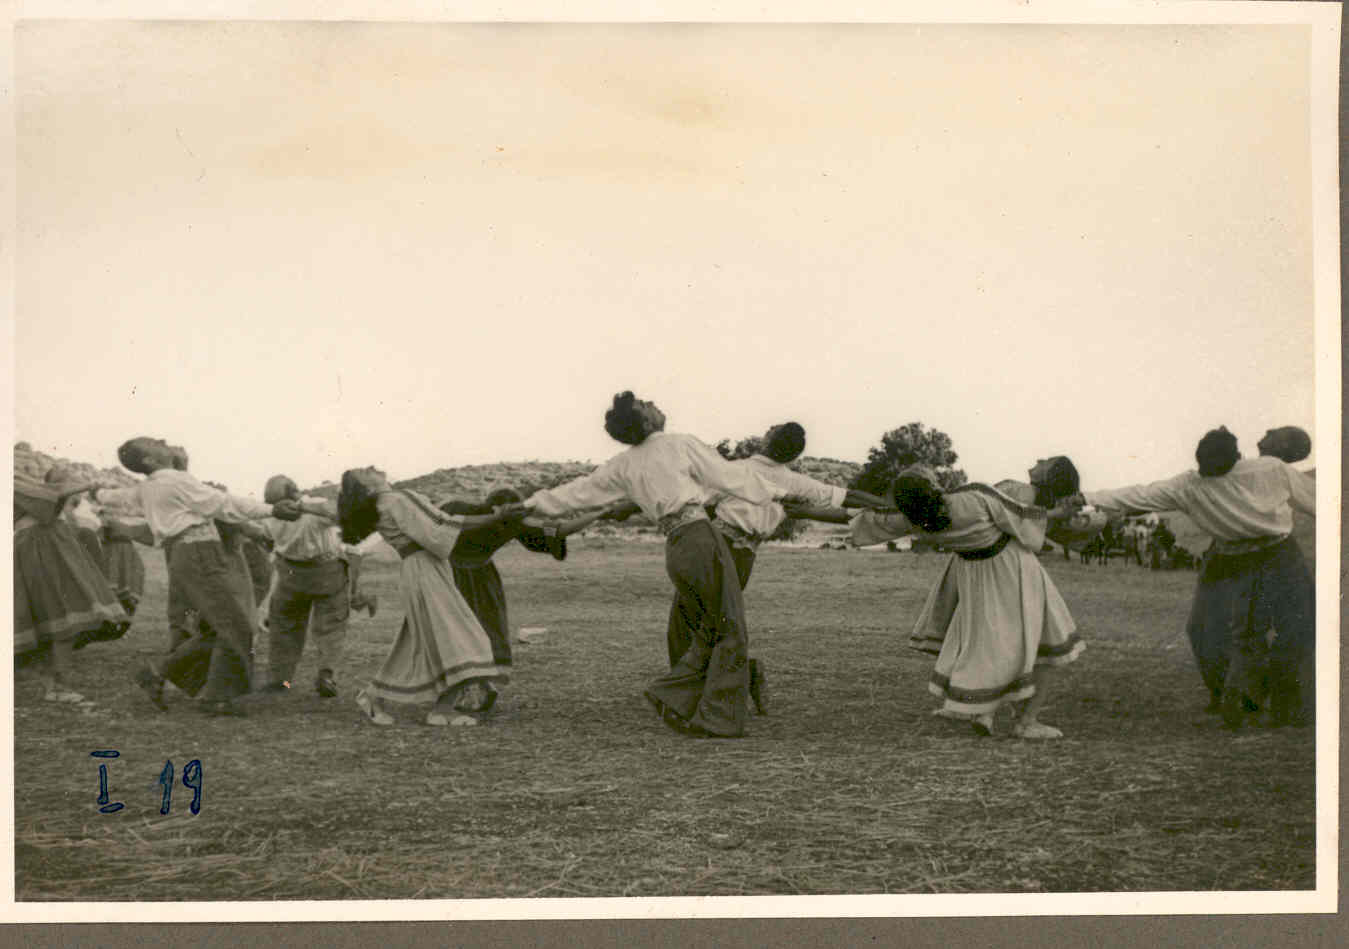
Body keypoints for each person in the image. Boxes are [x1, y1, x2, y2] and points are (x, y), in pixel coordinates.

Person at [523, 391, 791, 738]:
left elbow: (578, 492)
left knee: (707, 625)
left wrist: (530, 504)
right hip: (699, 537)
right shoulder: (678, 444)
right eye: (647, 405)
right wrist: (783, 493)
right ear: (646, 420)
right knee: (729, 627)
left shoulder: (623, 464)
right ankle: (707, 712)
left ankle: (686, 700)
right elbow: (731, 478)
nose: (654, 404)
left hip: (676, 548)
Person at [787, 457, 1089, 739]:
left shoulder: (915, 517)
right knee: (1043, 639)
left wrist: (801, 510)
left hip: (973, 574)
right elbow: (1022, 517)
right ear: (931, 484)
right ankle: (1025, 721)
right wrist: (1060, 513)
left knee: (986, 642)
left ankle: (983, 711)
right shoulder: (975, 497)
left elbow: (854, 516)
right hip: (1012, 570)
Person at [1084, 426, 1316, 728]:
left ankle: (1290, 707)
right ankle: (1233, 695)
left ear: (1233, 458)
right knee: (1204, 628)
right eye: (1202, 461)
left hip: (1278, 553)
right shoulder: (1189, 485)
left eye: (1213, 461)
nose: (1206, 467)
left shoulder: (1271, 470)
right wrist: (1083, 497)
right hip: (1227, 555)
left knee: (1295, 628)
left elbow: (1322, 502)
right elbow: (1137, 495)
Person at [93, 437, 303, 716]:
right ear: (149, 461)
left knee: (219, 628)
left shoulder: (150, 486)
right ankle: (214, 697)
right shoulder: (176, 481)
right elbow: (223, 503)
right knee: (237, 626)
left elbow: (118, 497)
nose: (162, 441)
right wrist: (272, 509)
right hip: (200, 552)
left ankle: (159, 673)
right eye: (155, 444)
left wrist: (98, 494)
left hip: (187, 554)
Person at [691, 421, 890, 714]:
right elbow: (846, 497)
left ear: (768, 440)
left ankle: (724, 683)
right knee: (719, 619)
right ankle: (724, 682)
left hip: (716, 545)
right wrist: (887, 505)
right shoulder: (794, 482)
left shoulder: (737, 469)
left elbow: (698, 499)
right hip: (743, 553)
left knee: (701, 617)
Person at [336, 467, 523, 727]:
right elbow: (443, 527)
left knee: (421, 642)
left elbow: (441, 523)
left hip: (417, 570)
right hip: (427, 571)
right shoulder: (398, 498)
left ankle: (372, 696)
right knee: (467, 639)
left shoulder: (382, 505)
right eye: (365, 472)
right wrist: (495, 518)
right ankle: (443, 710)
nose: (372, 467)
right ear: (368, 487)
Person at [440, 489, 611, 712]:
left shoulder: (473, 513)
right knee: (483, 630)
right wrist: (601, 513)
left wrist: (601, 513)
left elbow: (431, 522)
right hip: (480, 579)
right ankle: (479, 686)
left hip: (454, 576)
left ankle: (470, 689)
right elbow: (561, 529)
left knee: (459, 633)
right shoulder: (513, 521)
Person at [14, 473, 129, 702]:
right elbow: (49, 495)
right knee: (63, 617)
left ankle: (54, 684)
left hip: (48, 545)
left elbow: (48, 496)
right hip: (42, 548)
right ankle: (56, 686)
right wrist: (88, 484)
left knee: (57, 620)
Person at [254, 474, 371, 699]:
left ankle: (282, 681)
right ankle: (326, 674)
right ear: (295, 489)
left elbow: (265, 538)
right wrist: (304, 505)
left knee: (285, 629)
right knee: (331, 627)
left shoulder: (270, 513)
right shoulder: (313, 506)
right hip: (326, 570)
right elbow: (342, 516)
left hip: (290, 572)